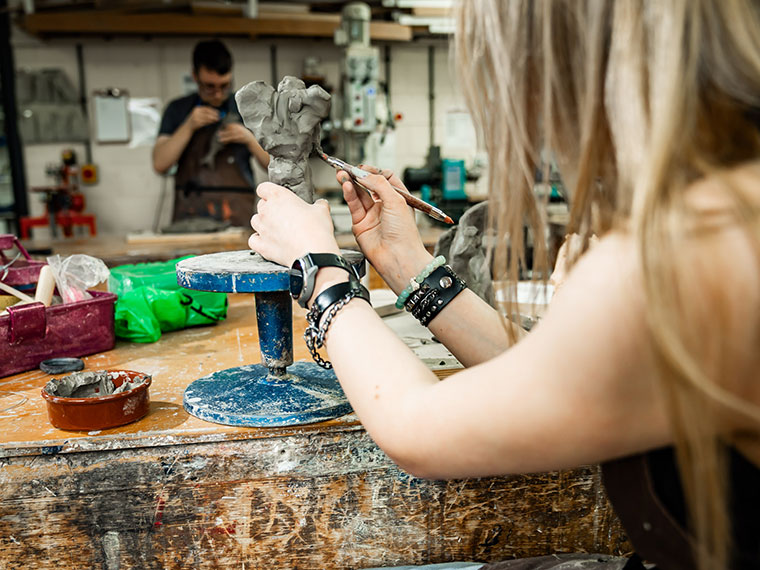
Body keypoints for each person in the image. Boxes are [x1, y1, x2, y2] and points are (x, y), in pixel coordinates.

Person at [247, 2, 760, 569]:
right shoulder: (734, 204)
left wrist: (318, 268)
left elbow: (417, 428)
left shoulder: (690, 249)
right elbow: (548, 378)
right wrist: (406, 264)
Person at [152, 39, 269, 228]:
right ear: (195, 76)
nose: (217, 94)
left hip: (237, 217)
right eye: (209, 86)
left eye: (224, 86)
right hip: (189, 217)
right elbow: (160, 164)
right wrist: (188, 126)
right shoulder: (177, 110)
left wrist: (249, 139)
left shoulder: (247, 109)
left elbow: (274, 166)